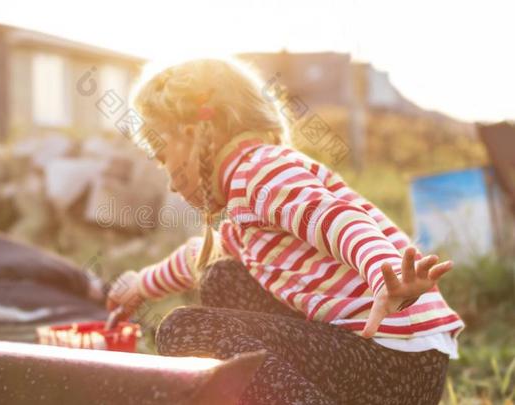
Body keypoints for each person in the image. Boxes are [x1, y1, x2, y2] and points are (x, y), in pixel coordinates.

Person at [106, 57, 465, 405]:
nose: (168, 181)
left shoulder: (260, 170)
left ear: (191, 134)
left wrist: (382, 271)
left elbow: (338, 220)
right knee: (223, 277)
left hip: (391, 360)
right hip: (393, 363)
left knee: (183, 328)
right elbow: (196, 259)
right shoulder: (246, 191)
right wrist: (140, 285)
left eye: (161, 154)